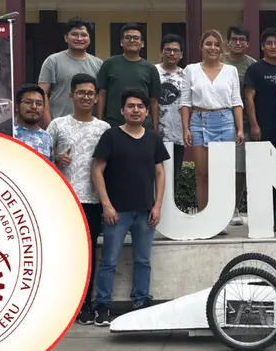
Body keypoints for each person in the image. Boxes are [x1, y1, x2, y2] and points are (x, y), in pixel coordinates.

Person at [91, 89, 170, 326]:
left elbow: (160, 173)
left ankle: (141, 303)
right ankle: (102, 306)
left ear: (146, 112)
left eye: (140, 107)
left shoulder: (153, 138)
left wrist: (157, 205)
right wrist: (107, 205)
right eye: (131, 106)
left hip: (145, 211)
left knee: (143, 260)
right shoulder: (111, 136)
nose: (136, 110)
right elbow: (97, 170)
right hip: (117, 212)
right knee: (109, 261)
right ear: (122, 110)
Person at [46, 74, 112, 325]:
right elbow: (43, 157)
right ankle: (64, 304)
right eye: (81, 92)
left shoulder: (103, 128)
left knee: (88, 254)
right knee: (64, 252)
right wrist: (56, 159)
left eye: (90, 93)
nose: (86, 97)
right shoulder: (57, 125)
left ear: (96, 99)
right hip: (64, 200)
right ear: (71, 95)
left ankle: (85, 304)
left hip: (92, 201)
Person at [181, 30, 244, 216]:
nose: (213, 48)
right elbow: (185, 102)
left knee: (223, 174)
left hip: (225, 121)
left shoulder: (230, 71)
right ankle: (204, 216)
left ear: (221, 48)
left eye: (217, 44)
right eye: (208, 44)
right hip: (199, 121)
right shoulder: (190, 70)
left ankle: (223, 215)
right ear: (201, 47)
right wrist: (185, 128)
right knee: (202, 174)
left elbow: (236, 101)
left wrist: (240, 129)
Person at [245, 27, 276, 231]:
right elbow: (249, 98)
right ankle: (263, 213)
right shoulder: (255, 69)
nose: (273, 46)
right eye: (269, 43)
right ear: (262, 46)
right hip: (261, 129)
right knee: (262, 173)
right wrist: (254, 124)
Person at [38, 18, 103, 128]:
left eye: (83, 35)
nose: (79, 38)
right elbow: (41, 94)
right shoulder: (53, 61)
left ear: (89, 39)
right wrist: (49, 125)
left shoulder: (98, 64)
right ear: (66, 38)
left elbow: (100, 96)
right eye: (74, 34)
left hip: (89, 127)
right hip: (59, 125)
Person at [224, 24, 257, 226]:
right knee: (217, 167)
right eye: (234, 39)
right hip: (218, 121)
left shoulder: (252, 65)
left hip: (243, 124)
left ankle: (234, 207)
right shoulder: (219, 61)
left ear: (247, 43)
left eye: (241, 40)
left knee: (239, 169)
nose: (237, 43)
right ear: (228, 42)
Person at [97, 23, 160, 130]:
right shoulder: (109, 64)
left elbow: (154, 101)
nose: (132, 40)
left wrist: (155, 128)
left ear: (142, 43)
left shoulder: (150, 68)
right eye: (128, 37)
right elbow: (102, 94)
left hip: (143, 126)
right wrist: (99, 123)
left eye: (136, 38)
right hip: (114, 123)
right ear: (121, 42)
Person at [156, 34, 186, 180]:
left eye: (175, 50)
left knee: (173, 177)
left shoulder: (185, 75)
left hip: (177, 135)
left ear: (181, 54)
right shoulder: (152, 71)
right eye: (167, 50)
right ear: (161, 52)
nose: (171, 53)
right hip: (154, 133)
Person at [13, 84, 53, 161]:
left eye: (39, 104)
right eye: (28, 102)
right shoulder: (6, 131)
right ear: (17, 106)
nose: (34, 107)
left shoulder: (47, 138)